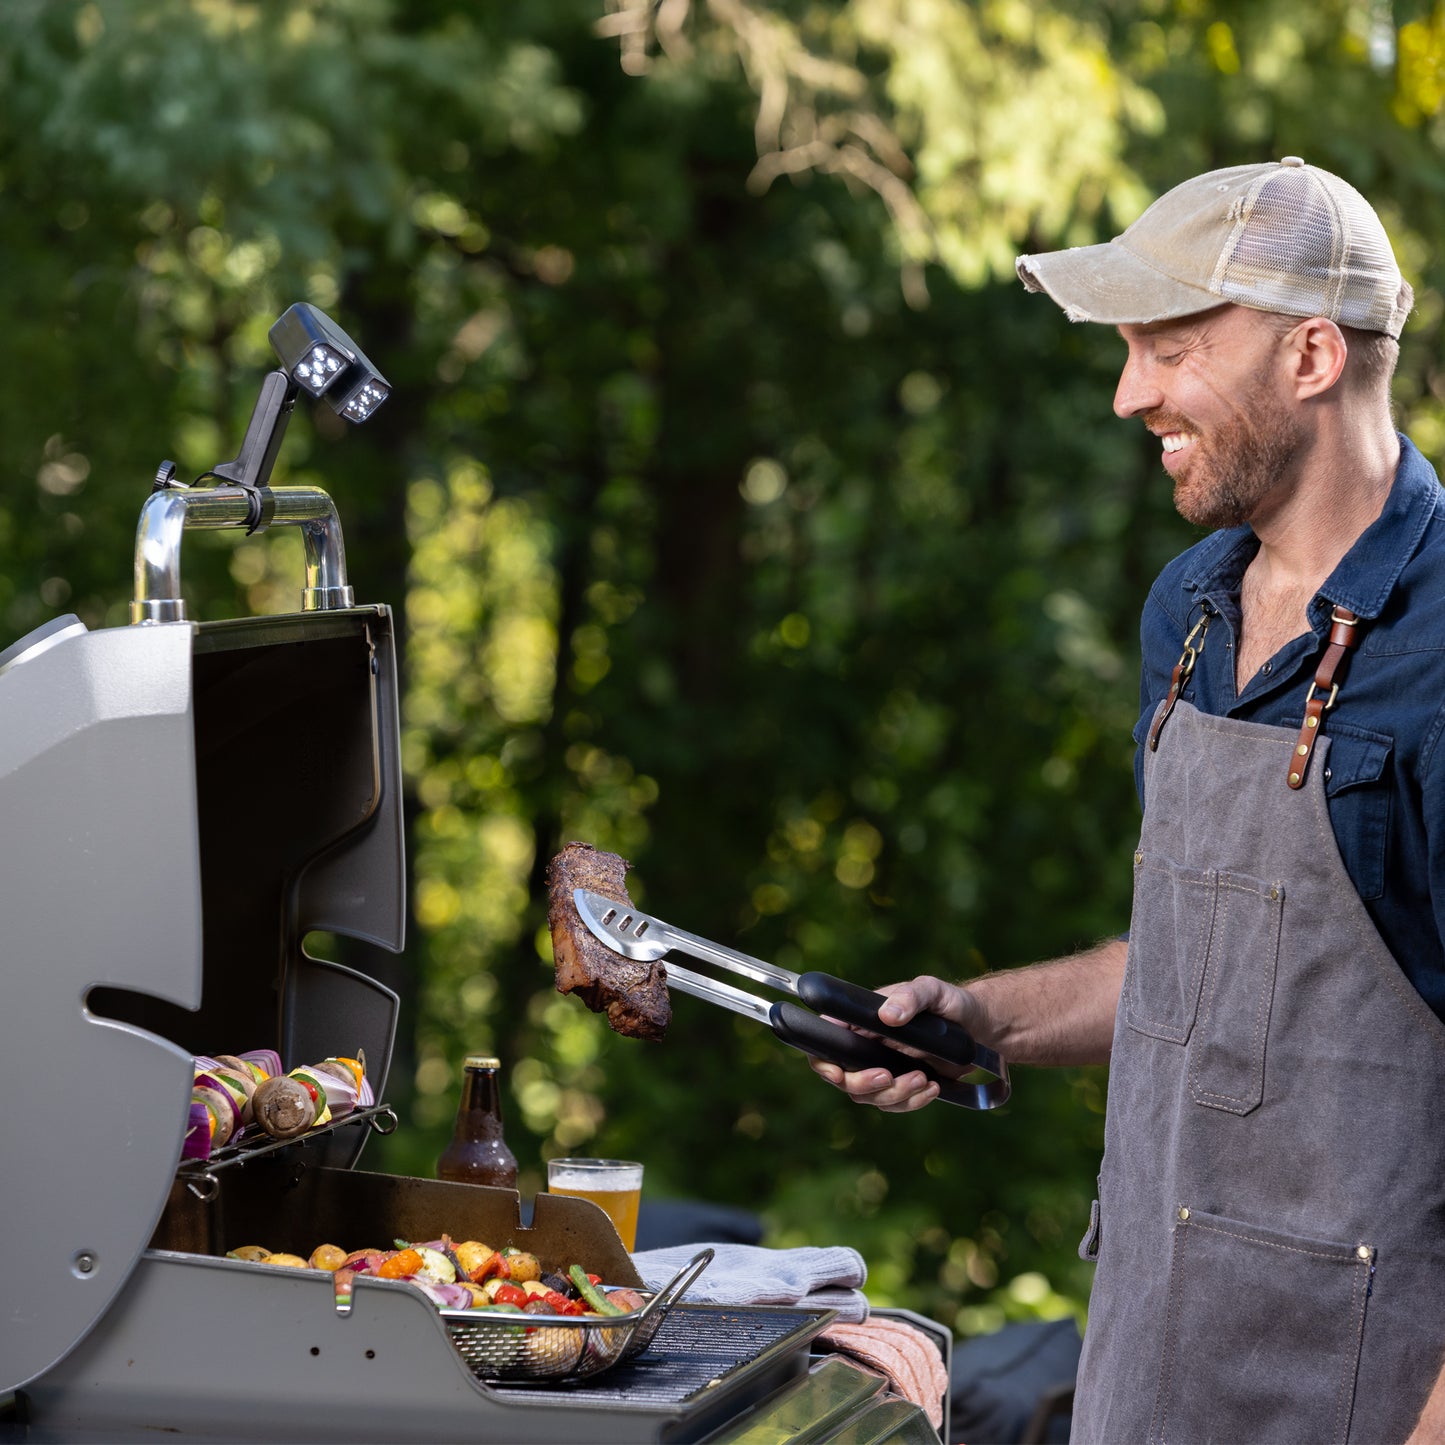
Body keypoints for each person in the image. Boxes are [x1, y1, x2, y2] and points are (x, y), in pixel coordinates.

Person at [811, 156, 1445, 1444]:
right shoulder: (1191, 611)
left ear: (1312, 356)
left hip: (1365, 1399)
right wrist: (981, 1018)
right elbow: (1212, 970)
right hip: (1150, 1367)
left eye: (1171, 349)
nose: (1128, 392)